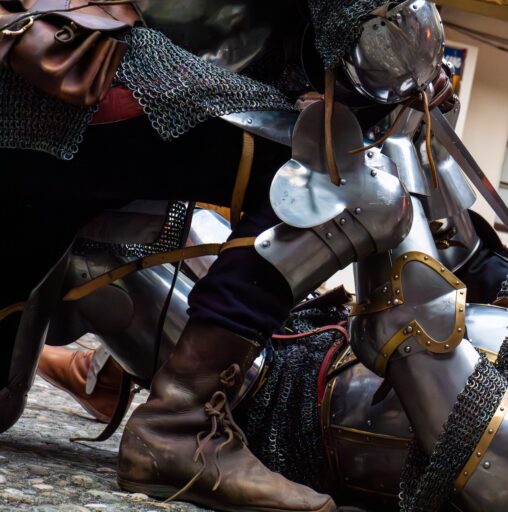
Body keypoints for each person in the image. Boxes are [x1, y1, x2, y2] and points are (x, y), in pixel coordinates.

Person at [0, 1, 408, 510]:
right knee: (336, 170)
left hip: (31, 70)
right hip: (90, 66)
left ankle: (108, 374)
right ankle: (179, 426)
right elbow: (361, 20)